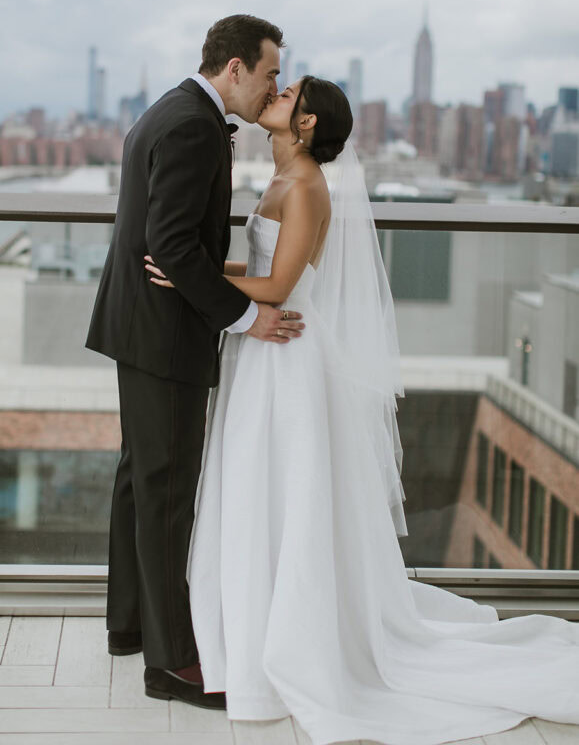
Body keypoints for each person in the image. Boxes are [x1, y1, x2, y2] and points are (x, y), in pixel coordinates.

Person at [144, 75, 579, 745]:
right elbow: (260, 265)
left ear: (309, 123)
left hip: (286, 354)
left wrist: (191, 276)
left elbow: (282, 285)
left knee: (282, 487)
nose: (276, 95)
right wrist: (203, 269)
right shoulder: (282, 177)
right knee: (258, 486)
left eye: (288, 94)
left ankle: (289, 635)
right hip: (261, 351)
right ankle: (248, 623)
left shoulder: (307, 185)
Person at [84, 14, 305, 710]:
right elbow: (173, 247)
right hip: (162, 334)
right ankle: (171, 663)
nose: (274, 85)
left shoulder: (173, 110)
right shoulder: (191, 125)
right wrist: (248, 318)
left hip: (140, 327)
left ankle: (130, 626)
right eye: (269, 72)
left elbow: (171, 247)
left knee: (141, 482)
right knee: (165, 490)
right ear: (234, 68)